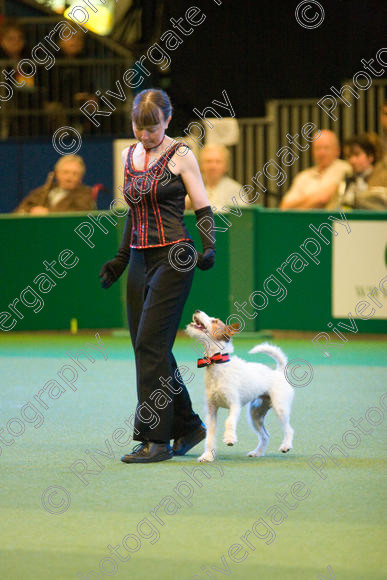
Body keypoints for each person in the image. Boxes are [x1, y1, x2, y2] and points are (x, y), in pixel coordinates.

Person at [99, 89, 216, 464]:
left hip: (175, 255)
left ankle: (157, 440)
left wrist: (209, 245)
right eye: (139, 127)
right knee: (147, 346)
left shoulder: (181, 154)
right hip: (138, 257)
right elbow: (133, 211)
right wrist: (120, 259)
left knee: (150, 344)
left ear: (167, 120)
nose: (145, 135)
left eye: (152, 127)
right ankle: (189, 426)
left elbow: (201, 205)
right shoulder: (127, 155)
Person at [280, 130, 351, 209]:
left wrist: (299, 203)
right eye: (318, 148)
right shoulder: (303, 176)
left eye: (326, 148)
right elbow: (284, 205)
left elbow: (322, 199)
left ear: (337, 150)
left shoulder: (343, 168)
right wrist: (313, 199)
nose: (321, 153)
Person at [14, 155, 94, 214]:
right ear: (57, 174)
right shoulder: (42, 191)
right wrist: (31, 211)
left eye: (75, 174)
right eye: (66, 172)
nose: (70, 177)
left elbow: (78, 215)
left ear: (80, 178)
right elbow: (20, 210)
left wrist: (48, 213)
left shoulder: (86, 194)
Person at [326, 134, 387, 210]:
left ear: (370, 157)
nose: (352, 160)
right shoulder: (346, 181)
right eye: (349, 156)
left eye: (357, 155)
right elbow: (331, 209)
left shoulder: (383, 177)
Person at [186, 144, 242, 210]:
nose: (213, 166)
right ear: (200, 165)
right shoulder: (190, 188)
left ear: (226, 166)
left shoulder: (235, 190)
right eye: (208, 161)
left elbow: (243, 217)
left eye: (218, 162)